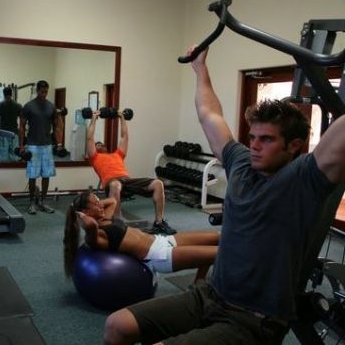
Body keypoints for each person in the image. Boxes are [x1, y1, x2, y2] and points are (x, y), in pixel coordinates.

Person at [103, 47, 345, 345]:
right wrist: (200, 68)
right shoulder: (241, 163)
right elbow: (209, 114)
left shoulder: (304, 180)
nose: (255, 145)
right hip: (210, 294)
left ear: (294, 145)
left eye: (267, 139)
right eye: (253, 137)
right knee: (117, 325)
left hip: (254, 319)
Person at [64, 189, 218, 281]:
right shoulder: (96, 235)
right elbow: (90, 225)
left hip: (162, 240)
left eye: (99, 202)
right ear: (85, 213)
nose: (100, 205)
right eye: (96, 204)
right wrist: (79, 214)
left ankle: (199, 281)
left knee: (217, 237)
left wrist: (95, 205)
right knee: (220, 254)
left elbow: (112, 201)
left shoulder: (105, 219)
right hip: (160, 256)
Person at [86, 110, 176, 235]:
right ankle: (117, 222)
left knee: (158, 183)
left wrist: (122, 117)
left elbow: (124, 136)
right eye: (97, 144)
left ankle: (159, 222)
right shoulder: (94, 158)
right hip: (112, 184)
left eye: (101, 143)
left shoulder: (118, 154)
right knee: (115, 185)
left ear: (106, 147)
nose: (99, 144)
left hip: (127, 181)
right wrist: (94, 119)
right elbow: (90, 137)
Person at [19, 80, 62, 214]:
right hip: (33, 145)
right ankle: (32, 202)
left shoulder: (51, 107)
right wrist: (21, 145)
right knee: (33, 176)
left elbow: (56, 126)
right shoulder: (29, 106)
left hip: (47, 145)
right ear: (37, 91)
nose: (44, 94)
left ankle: (43, 201)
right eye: (42, 92)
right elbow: (21, 127)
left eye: (46, 92)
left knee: (46, 175)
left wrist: (59, 143)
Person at [0, 86, 22, 161]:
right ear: (11, 94)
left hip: (3, 133)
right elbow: (22, 121)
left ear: (3, 94)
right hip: (14, 133)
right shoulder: (18, 105)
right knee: (15, 156)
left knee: (3, 157)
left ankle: (4, 172)